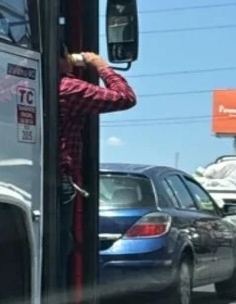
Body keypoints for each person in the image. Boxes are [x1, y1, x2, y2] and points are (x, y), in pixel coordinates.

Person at [57, 42, 137, 289]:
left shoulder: (15, 84)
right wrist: (101, 66)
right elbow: (125, 98)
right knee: (61, 245)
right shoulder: (69, 88)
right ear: (60, 58)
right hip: (59, 178)